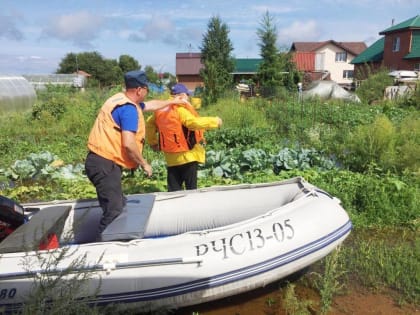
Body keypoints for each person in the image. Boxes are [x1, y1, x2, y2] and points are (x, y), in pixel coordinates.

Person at [85, 70, 188, 240]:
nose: (147, 93)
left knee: (118, 204)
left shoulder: (120, 100)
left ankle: (114, 242)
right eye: (147, 89)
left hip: (100, 161)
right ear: (140, 90)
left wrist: (173, 101)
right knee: (114, 211)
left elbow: (151, 105)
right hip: (104, 163)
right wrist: (144, 163)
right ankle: (99, 251)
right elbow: (129, 143)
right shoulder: (129, 110)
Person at [146, 83, 222, 192]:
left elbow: (149, 124)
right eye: (187, 95)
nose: (188, 97)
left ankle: (175, 208)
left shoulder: (160, 110)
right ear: (181, 96)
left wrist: (153, 142)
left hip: (171, 157)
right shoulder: (180, 110)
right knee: (191, 191)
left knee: (174, 192)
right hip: (187, 156)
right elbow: (193, 123)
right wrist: (215, 121)